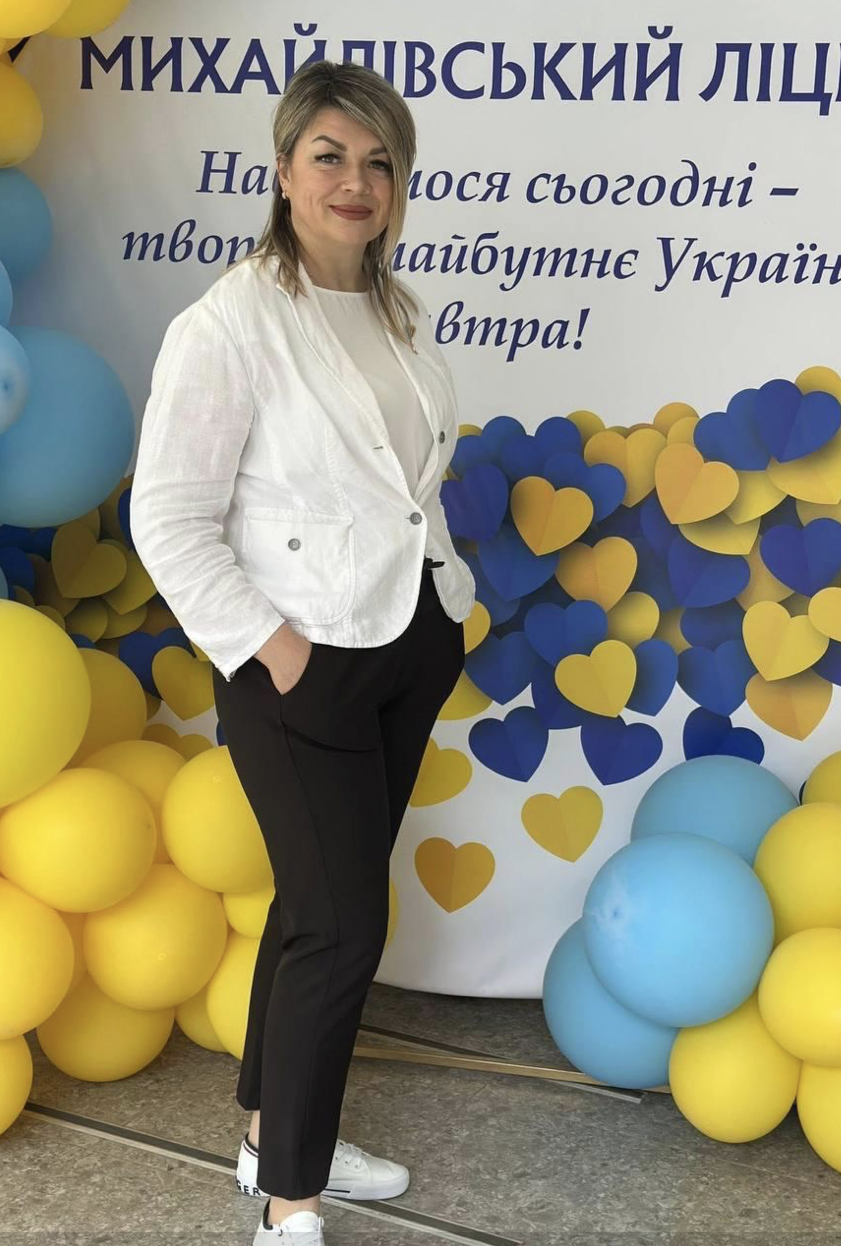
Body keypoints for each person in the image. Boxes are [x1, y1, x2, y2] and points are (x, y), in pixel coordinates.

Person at [129, 58, 476, 1245]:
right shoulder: (228, 323)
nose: (355, 181)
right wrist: (274, 650)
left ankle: (267, 1133)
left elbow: (400, 485)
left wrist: (442, 616)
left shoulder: (395, 310)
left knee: (311, 907)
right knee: (342, 929)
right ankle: (291, 1205)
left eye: (380, 161)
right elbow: (167, 517)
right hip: (300, 664)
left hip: (405, 640)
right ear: (283, 172)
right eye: (329, 156)